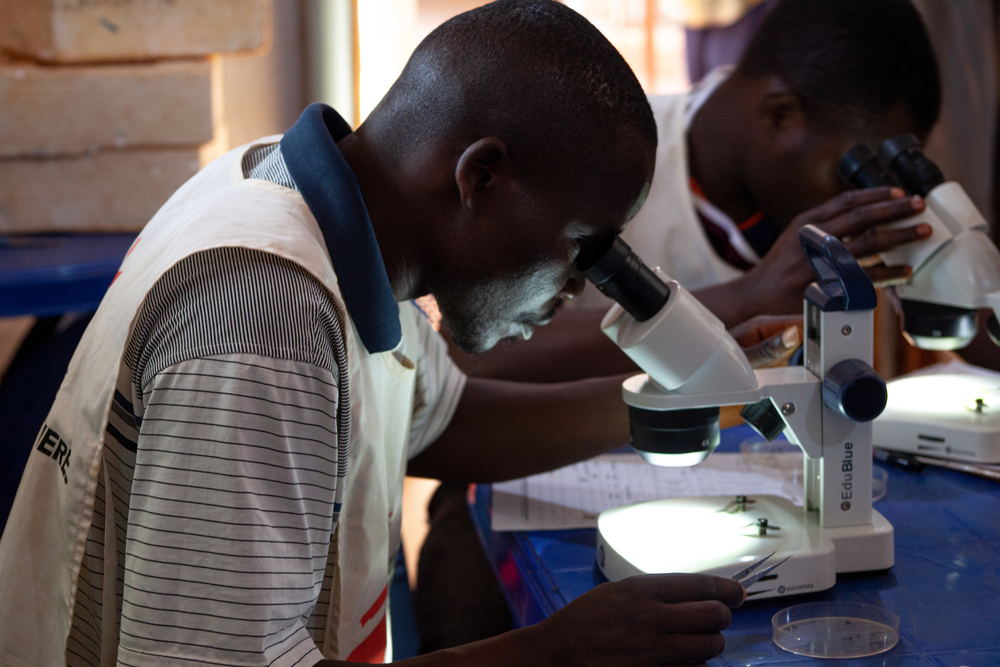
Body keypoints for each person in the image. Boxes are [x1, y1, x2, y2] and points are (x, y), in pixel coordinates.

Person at [0, 2, 758, 666]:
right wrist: (556, 647)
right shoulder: (266, 312)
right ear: (480, 178)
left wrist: (667, 404)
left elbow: (444, 420)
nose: (579, 285)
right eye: (580, 245)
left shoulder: (305, 203)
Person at [414, 0, 943, 653]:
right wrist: (741, 297)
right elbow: (462, 365)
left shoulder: (827, 224)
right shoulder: (600, 161)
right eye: (849, 171)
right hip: (512, 486)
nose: (855, 196)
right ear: (780, 114)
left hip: (735, 493)